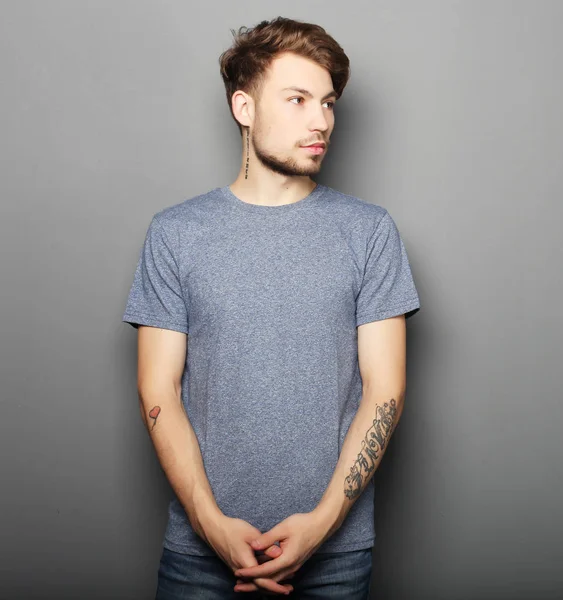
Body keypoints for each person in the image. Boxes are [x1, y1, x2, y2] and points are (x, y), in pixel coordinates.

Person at [122, 15, 421, 600]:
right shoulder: (175, 234)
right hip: (199, 559)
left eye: (329, 102)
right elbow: (158, 392)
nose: (321, 121)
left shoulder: (370, 232)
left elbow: (384, 391)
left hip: (334, 557)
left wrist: (321, 527)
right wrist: (211, 526)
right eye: (299, 99)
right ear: (244, 107)